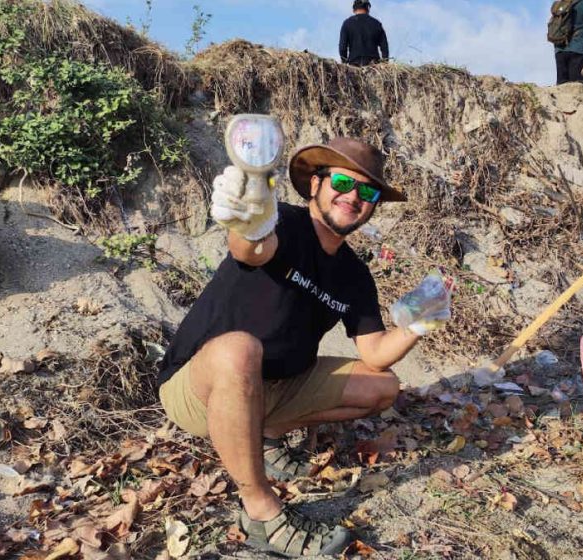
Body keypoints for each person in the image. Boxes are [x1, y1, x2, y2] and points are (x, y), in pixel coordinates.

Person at [157, 137, 448, 557]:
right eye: (343, 183)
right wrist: (250, 225)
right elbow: (251, 249)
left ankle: (267, 434)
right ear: (315, 183)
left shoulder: (354, 274)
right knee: (239, 350)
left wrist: (420, 321)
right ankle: (260, 511)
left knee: (382, 387)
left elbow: (374, 354)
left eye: (368, 192)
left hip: (275, 389)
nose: (353, 197)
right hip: (198, 387)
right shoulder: (281, 222)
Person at [339, 0, 389, 67]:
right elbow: (385, 47)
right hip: (374, 66)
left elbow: (342, 48)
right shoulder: (376, 24)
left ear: (354, 9)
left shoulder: (347, 23)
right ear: (368, 8)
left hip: (354, 65)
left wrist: (344, 63)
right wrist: (384, 64)